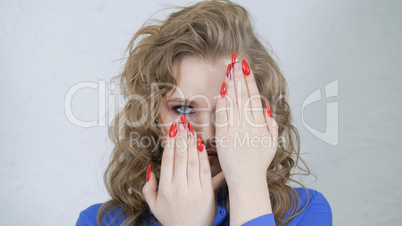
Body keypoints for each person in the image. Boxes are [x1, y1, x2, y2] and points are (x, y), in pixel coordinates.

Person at [76, 0, 332, 225]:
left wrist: (248, 186)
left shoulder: (304, 213)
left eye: (228, 109)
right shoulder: (99, 222)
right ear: (152, 115)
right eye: (184, 108)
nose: (208, 133)